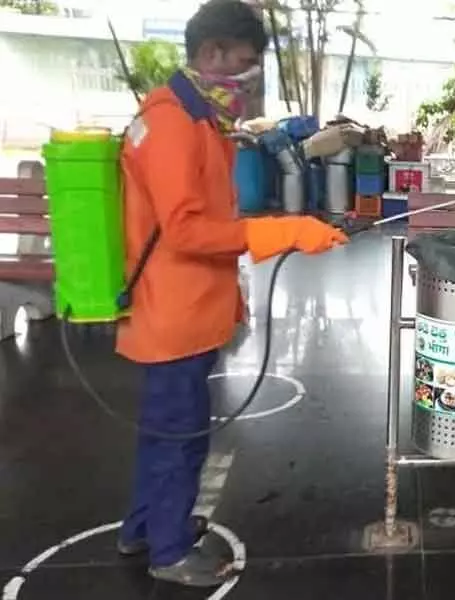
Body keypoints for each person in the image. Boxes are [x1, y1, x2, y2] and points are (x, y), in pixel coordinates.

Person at [114, 0, 348, 587]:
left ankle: (144, 526)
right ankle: (167, 553)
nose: (247, 79)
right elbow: (186, 230)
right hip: (173, 315)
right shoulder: (169, 122)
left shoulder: (196, 119)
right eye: (244, 65)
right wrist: (286, 230)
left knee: (166, 431)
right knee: (181, 435)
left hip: (189, 306)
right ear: (212, 53)